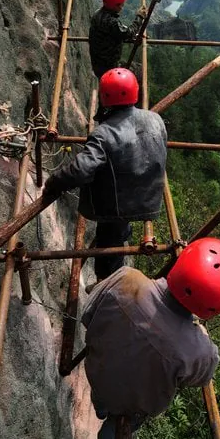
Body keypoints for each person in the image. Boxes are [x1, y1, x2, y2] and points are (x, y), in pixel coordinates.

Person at [80, 237, 220, 439]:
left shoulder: (127, 277)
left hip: (96, 371)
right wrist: (202, 336)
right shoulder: (199, 352)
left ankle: (100, 406)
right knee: (120, 425)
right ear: (214, 307)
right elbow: (202, 377)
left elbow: (88, 317)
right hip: (130, 406)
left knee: (104, 396)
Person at [42, 68, 167, 283]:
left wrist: (53, 182)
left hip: (117, 207)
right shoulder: (156, 119)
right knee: (118, 232)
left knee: (108, 248)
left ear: (105, 97)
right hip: (148, 200)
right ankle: (121, 240)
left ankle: (106, 284)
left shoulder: (105, 133)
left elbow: (81, 170)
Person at [88, 0, 145, 80]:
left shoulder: (98, 14)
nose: (122, 7)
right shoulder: (111, 22)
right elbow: (128, 33)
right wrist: (139, 17)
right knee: (138, 73)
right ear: (116, 5)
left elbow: (116, 33)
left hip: (98, 62)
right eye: (121, 5)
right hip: (108, 65)